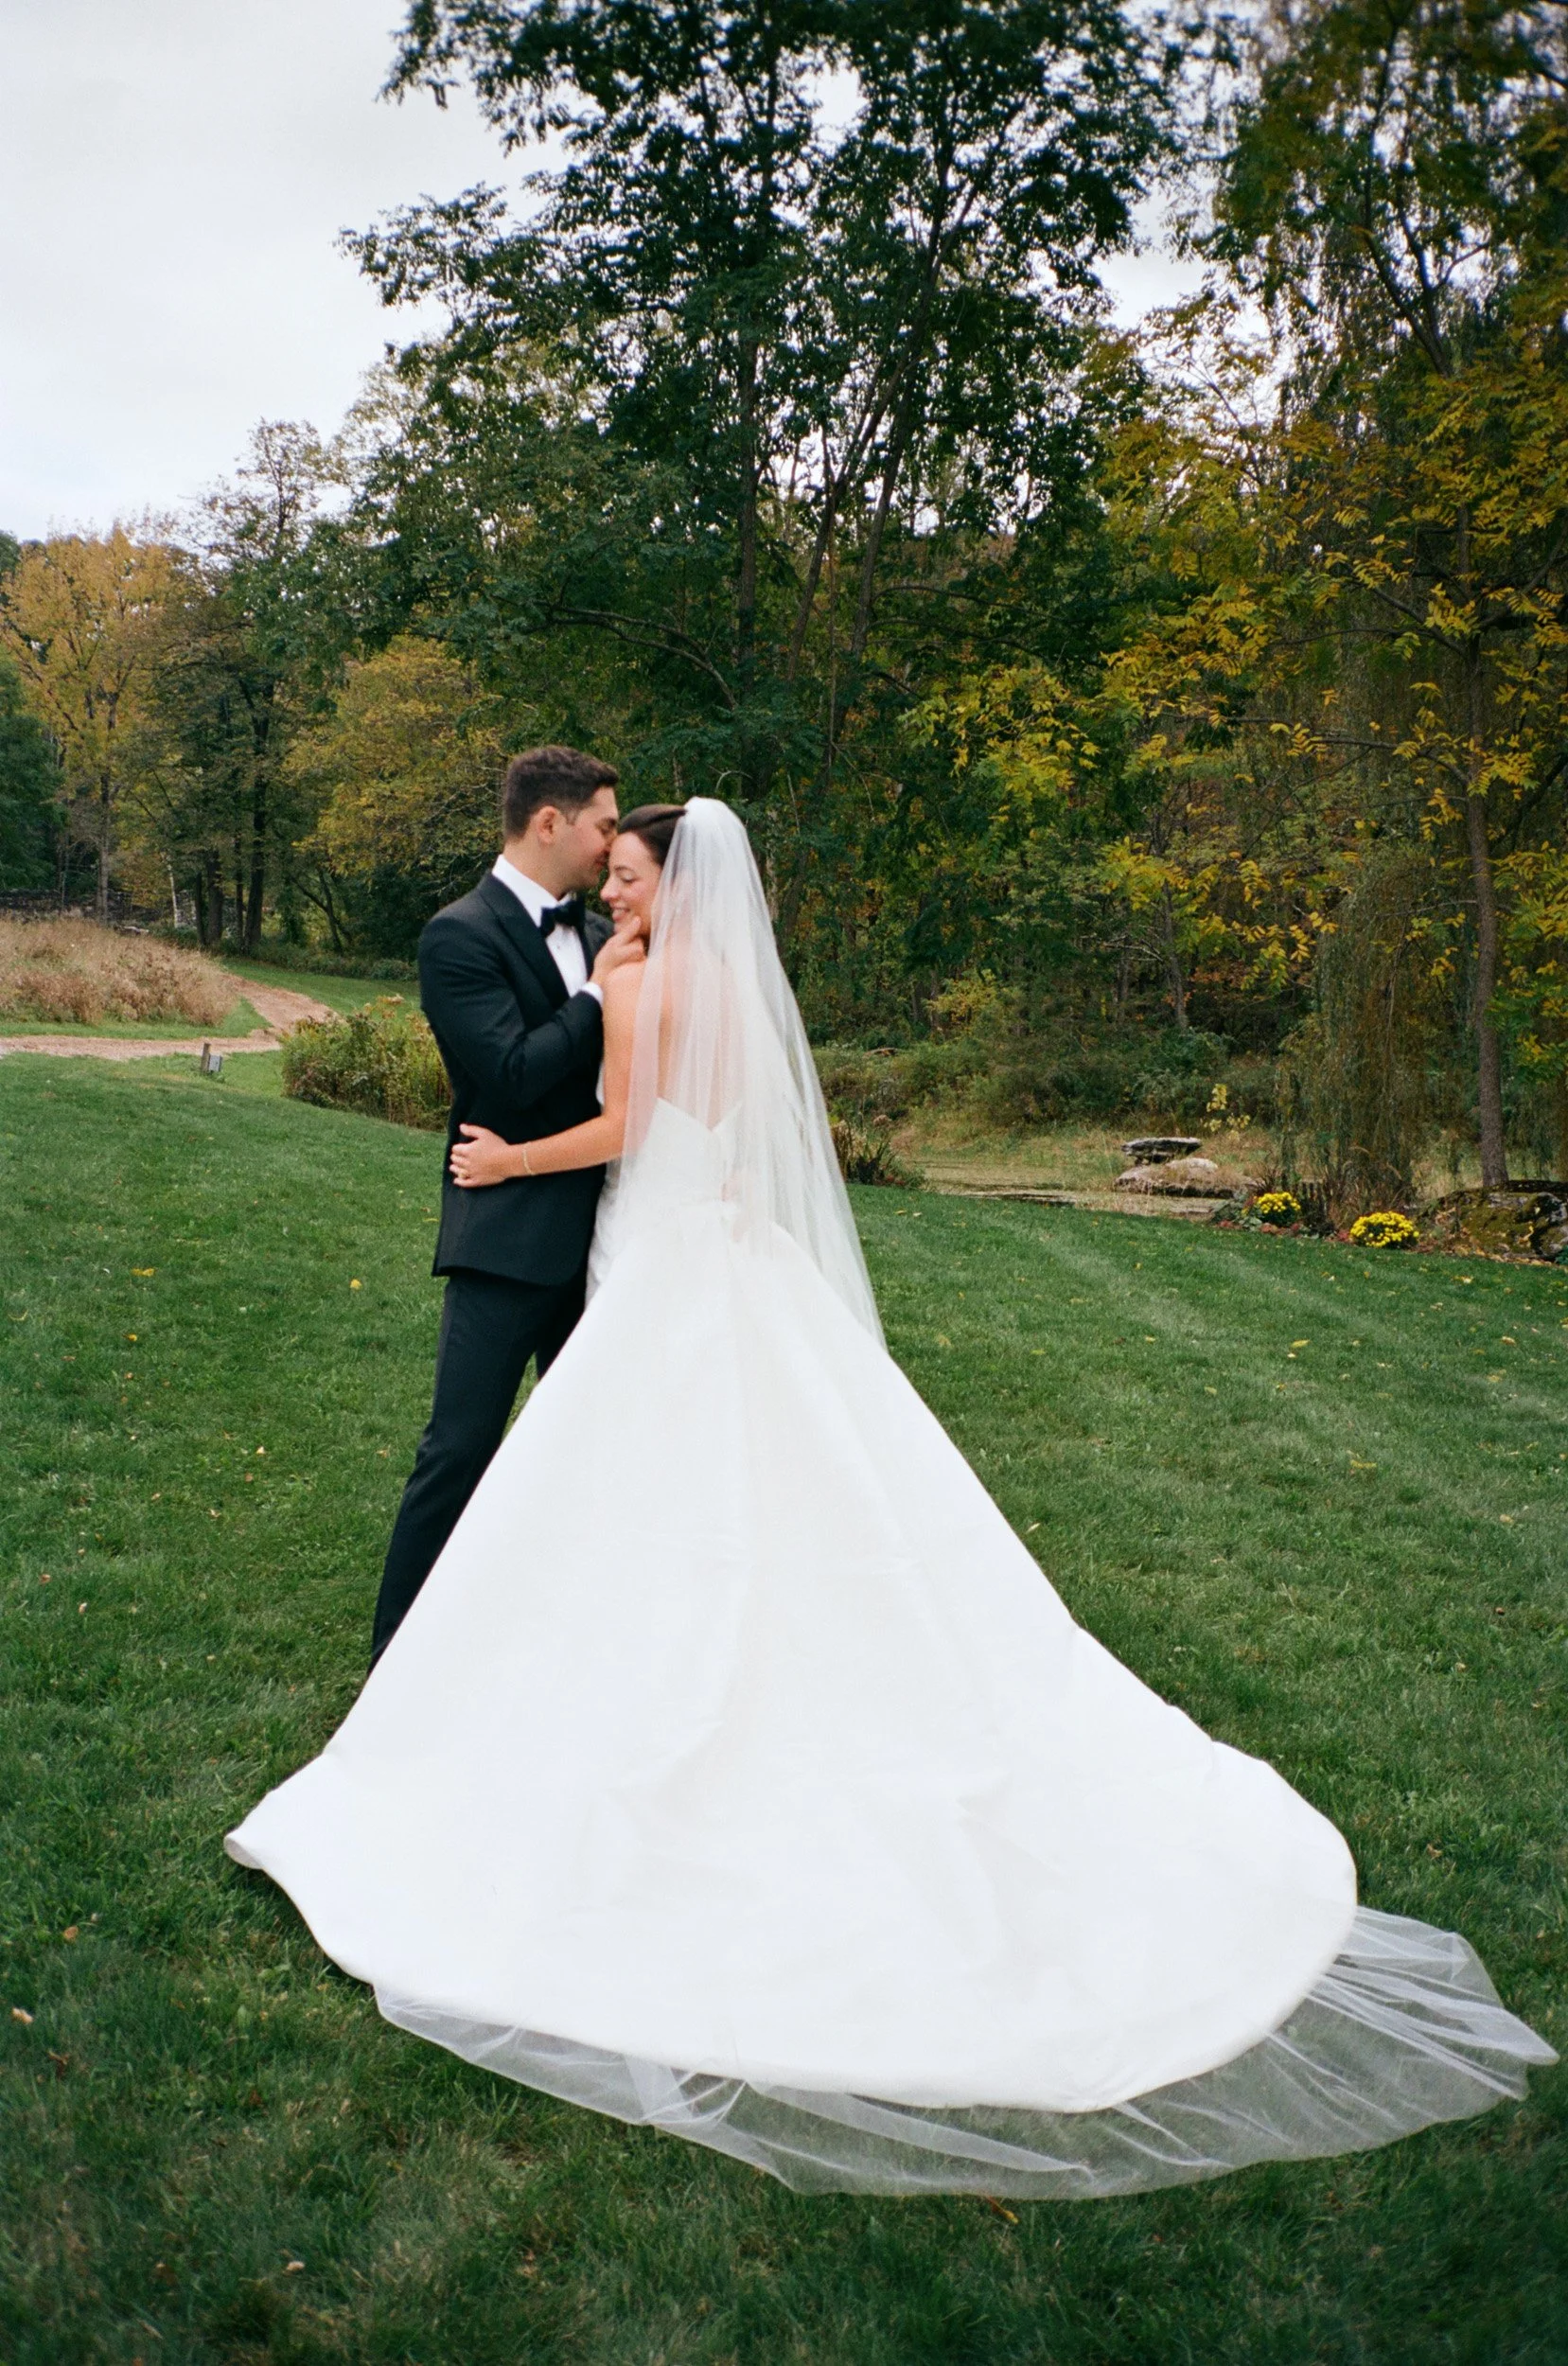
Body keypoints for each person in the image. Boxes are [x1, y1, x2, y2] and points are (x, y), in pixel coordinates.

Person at [230, 798, 1553, 2199]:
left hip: (665, 1263)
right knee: (736, 1492)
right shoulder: (735, 981)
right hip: (723, 1253)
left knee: (631, 1489)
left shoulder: (650, 974)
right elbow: (723, 1132)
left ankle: (601, 1705)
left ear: (675, 887)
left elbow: (621, 1124)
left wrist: (508, 1156)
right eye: (605, 872)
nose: (612, 892)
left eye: (628, 876)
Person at [370, 744, 643, 1664]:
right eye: (606, 825)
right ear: (549, 822)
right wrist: (599, 999)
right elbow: (512, 1073)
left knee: (592, 1456)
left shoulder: (609, 939)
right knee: (460, 1450)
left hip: (612, 1237)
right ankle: (395, 1663)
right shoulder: (460, 934)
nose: (613, 845)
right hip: (506, 1236)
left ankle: (563, 1648)